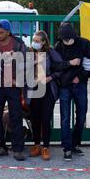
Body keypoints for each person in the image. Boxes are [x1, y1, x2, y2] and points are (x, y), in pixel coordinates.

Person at [54, 22, 90, 161]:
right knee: (65, 118)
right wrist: (70, 63)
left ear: (73, 35)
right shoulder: (59, 46)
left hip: (80, 84)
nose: (66, 41)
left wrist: (80, 78)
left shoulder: (85, 44)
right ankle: (67, 148)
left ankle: (74, 144)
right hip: (64, 86)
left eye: (67, 38)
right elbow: (56, 66)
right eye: (63, 39)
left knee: (81, 117)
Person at [0, 19, 27, 161]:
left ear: (8, 32)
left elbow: (26, 64)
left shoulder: (19, 44)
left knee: (16, 116)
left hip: (13, 85)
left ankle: (18, 149)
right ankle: (1, 147)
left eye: (1, 32)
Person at [28, 31, 63, 161]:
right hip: (33, 89)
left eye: (37, 41)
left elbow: (60, 68)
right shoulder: (29, 52)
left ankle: (45, 147)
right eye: (34, 40)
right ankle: (36, 144)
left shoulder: (51, 53)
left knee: (46, 118)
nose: (35, 43)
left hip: (48, 89)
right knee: (34, 118)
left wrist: (51, 77)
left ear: (44, 42)